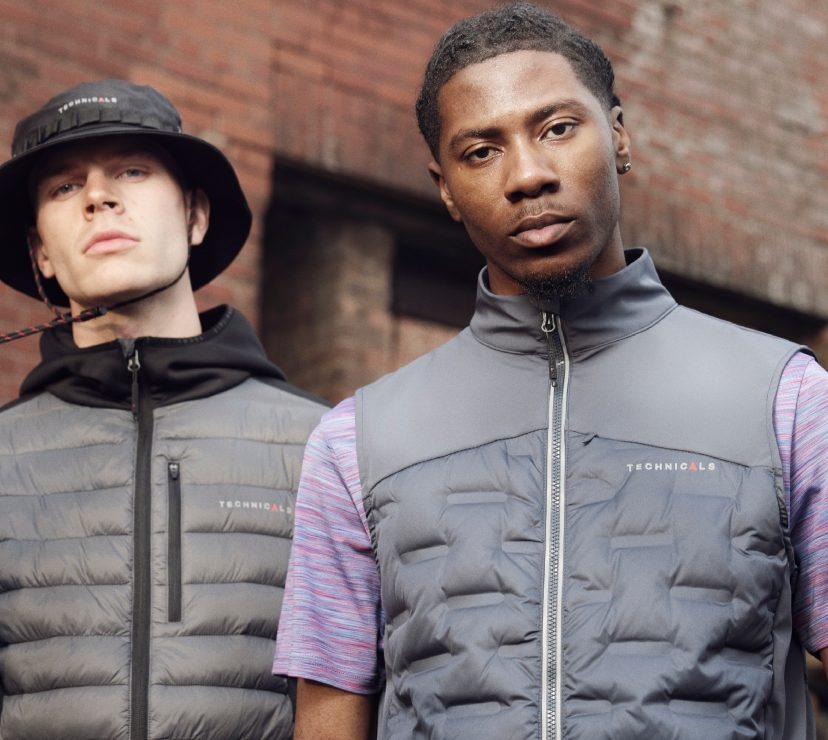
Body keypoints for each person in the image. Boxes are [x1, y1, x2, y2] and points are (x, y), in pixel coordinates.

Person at [273, 4, 828, 739]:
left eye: (558, 128)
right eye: (482, 151)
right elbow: (328, 714)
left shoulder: (786, 400)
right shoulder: (356, 441)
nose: (528, 175)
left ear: (619, 135)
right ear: (445, 187)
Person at [0, 80, 327, 739]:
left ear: (195, 215)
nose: (97, 196)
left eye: (132, 170)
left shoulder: (325, 446)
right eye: (64, 186)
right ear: (40, 253)